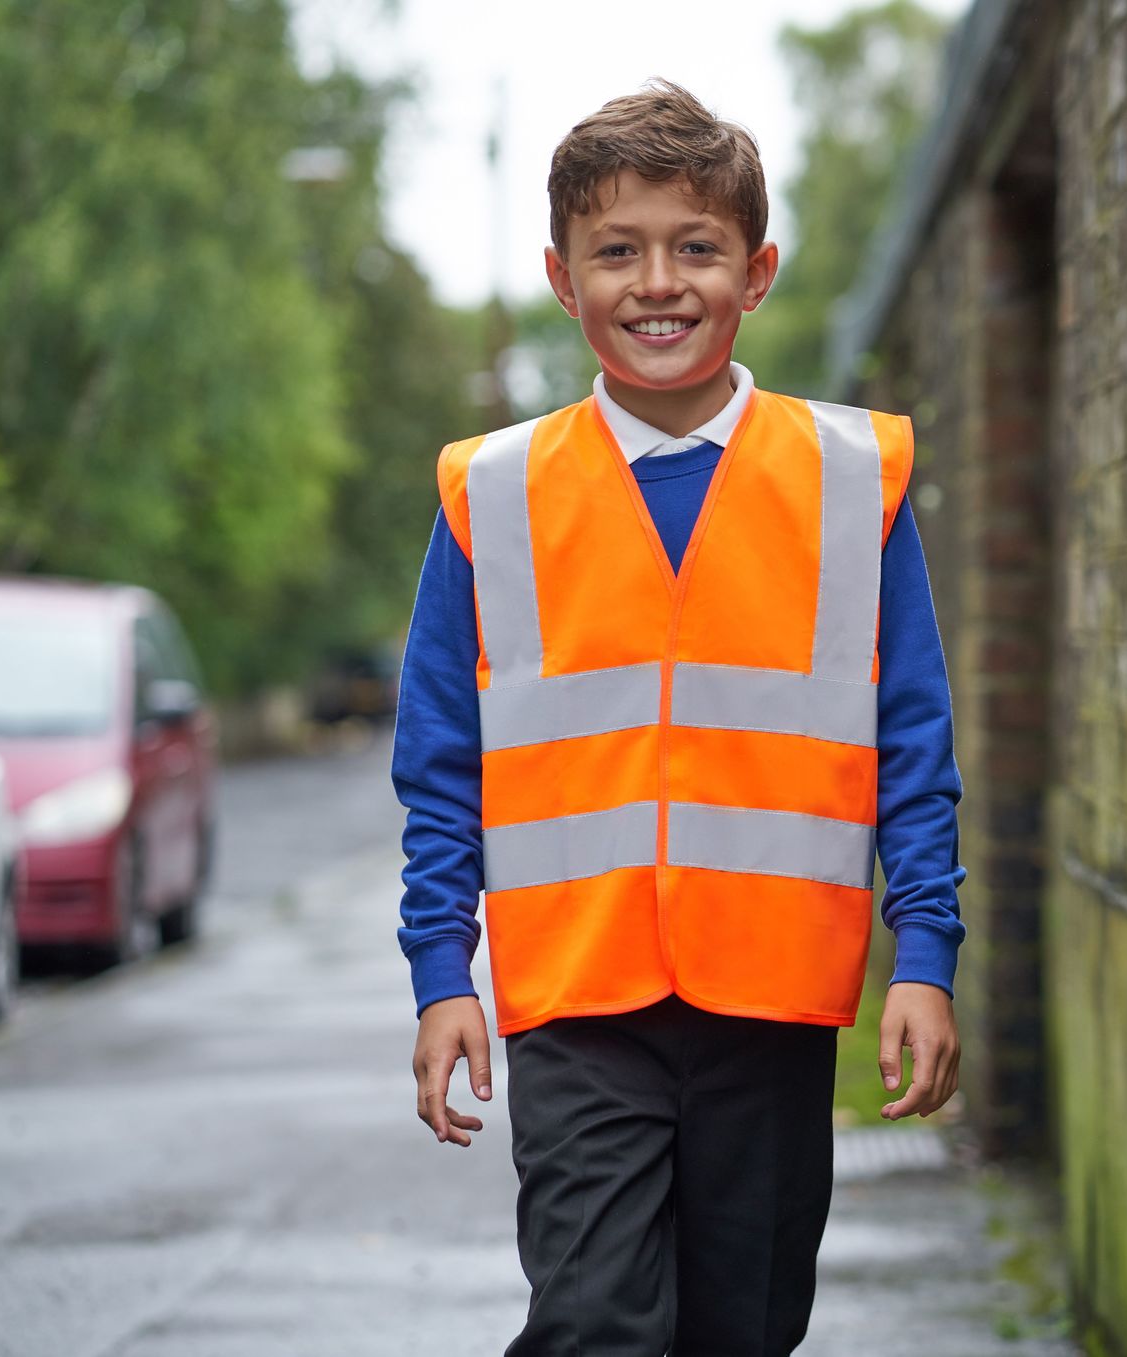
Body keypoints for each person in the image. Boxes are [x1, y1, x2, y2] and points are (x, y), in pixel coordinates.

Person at [391, 78, 968, 1356]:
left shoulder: (848, 481)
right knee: (596, 1322)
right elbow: (441, 769)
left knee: (742, 1330)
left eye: (696, 247)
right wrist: (444, 974)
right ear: (561, 276)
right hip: (579, 1006)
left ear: (755, 271)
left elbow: (912, 749)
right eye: (618, 251)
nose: (659, 283)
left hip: (771, 1003)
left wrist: (921, 956)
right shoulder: (491, 496)